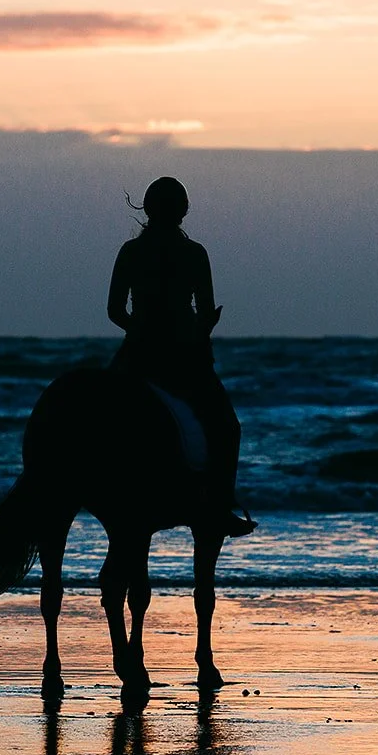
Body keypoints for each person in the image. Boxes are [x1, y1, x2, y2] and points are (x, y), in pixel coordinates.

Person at [107, 177, 256, 537]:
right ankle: (220, 506)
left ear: (146, 209)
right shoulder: (194, 253)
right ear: (184, 212)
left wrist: (139, 330)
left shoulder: (130, 251)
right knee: (226, 427)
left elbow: (114, 310)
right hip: (183, 356)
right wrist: (196, 331)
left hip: (137, 354)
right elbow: (204, 312)